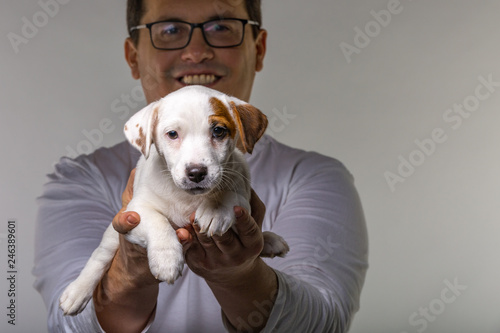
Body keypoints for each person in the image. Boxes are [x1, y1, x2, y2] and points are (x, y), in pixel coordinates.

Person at [33, 0, 369, 332]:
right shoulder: (77, 179)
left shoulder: (315, 177)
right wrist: (131, 269)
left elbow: (324, 324)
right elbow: (66, 326)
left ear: (260, 48)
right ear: (133, 56)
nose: (196, 51)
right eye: (169, 29)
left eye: (221, 27)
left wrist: (239, 275)